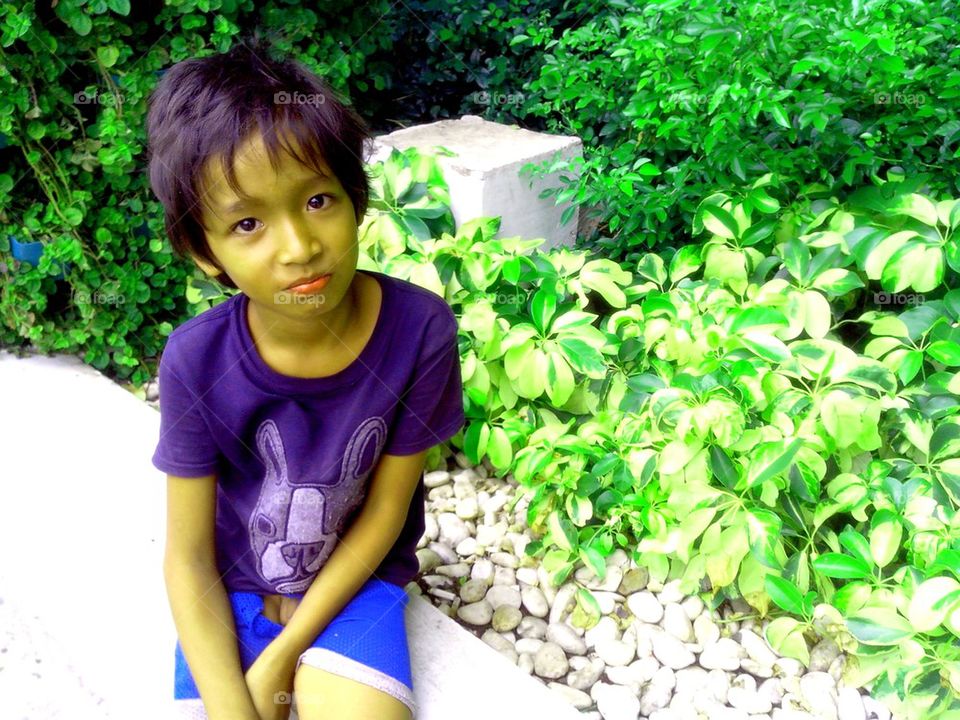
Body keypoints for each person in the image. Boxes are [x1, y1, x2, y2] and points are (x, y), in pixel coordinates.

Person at [146, 36, 465, 720]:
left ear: (355, 196)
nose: (298, 247)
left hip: (357, 586)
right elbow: (187, 559)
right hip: (228, 590)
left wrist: (285, 654)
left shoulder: (420, 331)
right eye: (249, 222)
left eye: (318, 200)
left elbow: (384, 515)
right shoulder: (195, 359)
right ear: (204, 252)